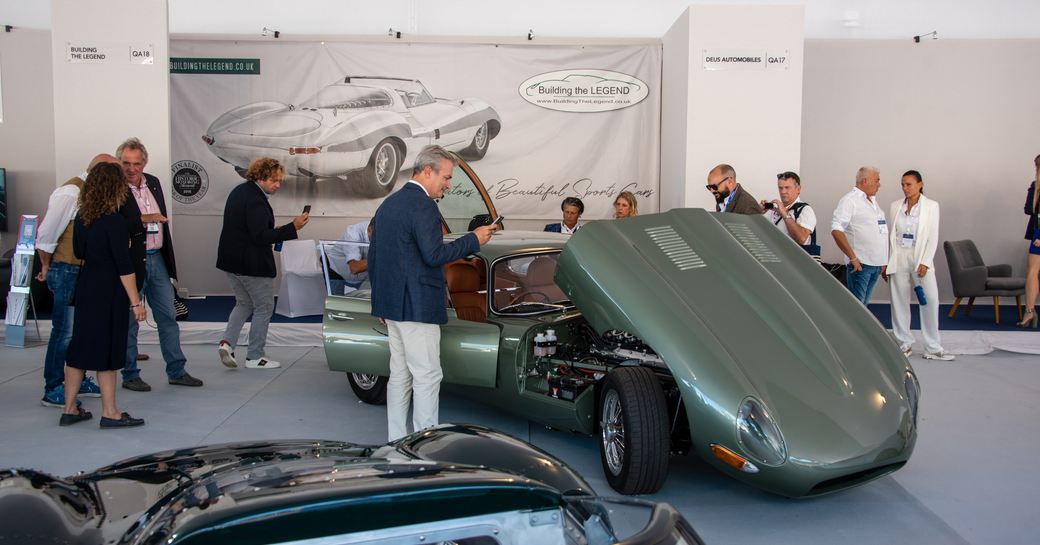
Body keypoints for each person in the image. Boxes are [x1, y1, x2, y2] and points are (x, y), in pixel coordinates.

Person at [369, 145, 497, 441]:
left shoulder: (388, 204)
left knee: (400, 377)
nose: (449, 185)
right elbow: (434, 255)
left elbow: (375, 257)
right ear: (427, 171)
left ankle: (397, 443)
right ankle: (424, 449)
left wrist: (382, 306)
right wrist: (474, 239)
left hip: (394, 307)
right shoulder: (424, 205)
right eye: (447, 177)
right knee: (427, 377)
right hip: (418, 307)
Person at [61, 161, 148, 428]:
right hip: (109, 290)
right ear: (115, 188)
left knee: (79, 348)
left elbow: (79, 253)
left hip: (86, 286)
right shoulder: (115, 222)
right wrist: (136, 302)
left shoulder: (82, 219)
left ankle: (69, 409)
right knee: (107, 353)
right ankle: (110, 412)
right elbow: (125, 267)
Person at [116, 138, 203, 391]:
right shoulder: (114, 188)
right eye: (126, 163)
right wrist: (145, 219)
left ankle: (177, 370)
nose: (131, 169)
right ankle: (130, 374)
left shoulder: (152, 182)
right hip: (133, 263)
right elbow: (112, 226)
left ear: (144, 163)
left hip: (157, 258)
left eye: (137, 163)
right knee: (130, 321)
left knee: (168, 316)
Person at [34, 155, 117, 408]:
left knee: (78, 332)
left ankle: (75, 381)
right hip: (66, 270)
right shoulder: (71, 192)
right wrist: (47, 266)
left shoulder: (92, 194)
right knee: (65, 332)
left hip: (82, 272)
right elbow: (47, 234)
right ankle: (54, 387)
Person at [216, 157, 309, 369]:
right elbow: (261, 236)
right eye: (274, 180)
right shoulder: (256, 200)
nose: (278, 185)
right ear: (260, 177)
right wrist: (292, 227)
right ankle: (255, 356)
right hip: (252, 264)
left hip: (231, 262)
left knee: (243, 303)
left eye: (279, 180)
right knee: (264, 307)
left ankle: (227, 342)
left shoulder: (239, 191)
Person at [882, 171, 954, 360]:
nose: (905, 188)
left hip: (919, 256)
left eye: (909, 184)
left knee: (930, 300)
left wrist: (925, 261)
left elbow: (933, 236)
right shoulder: (895, 206)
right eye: (903, 185)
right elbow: (890, 237)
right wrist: (887, 261)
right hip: (899, 255)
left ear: (920, 184)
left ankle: (932, 346)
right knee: (899, 301)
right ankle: (903, 343)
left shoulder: (931, 206)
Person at [831, 166, 888, 305]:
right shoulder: (850, 200)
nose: (879, 184)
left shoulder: (872, 201)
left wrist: (883, 262)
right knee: (857, 308)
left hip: (875, 264)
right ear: (865, 181)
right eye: (877, 180)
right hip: (861, 264)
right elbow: (836, 230)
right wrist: (853, 258)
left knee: (864, 306)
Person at [761, 171, 817, 251]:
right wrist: (758, 213)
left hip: (796, 261)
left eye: (787, 188)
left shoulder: (805, 210)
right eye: (780, 188)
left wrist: (785, 214)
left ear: (798, 189)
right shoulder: (773, 210)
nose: (783, 192)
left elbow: (801, 239)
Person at [1019, 155, 1040, 328]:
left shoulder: (1035, 186)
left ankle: (1029, 312)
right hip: (1037, 233)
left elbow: (1028, 209)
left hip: (1038, 234)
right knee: (1032, 272)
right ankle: (1029, 311)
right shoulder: (1035, 187)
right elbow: (1029, 210)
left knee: (1032, 272)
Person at [326, 219, 373, 295]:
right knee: (337, 303)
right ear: (369, 230)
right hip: (336, 270)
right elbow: (355, 268)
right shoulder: (352, 233)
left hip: (362, 276)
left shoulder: (382, 233)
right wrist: (380, 258)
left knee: (367, 300)